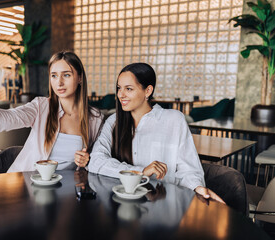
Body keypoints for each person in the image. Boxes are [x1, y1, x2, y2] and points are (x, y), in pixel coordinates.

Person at [88, 63, 224, 202]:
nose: (120, 95)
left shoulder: (174, 120)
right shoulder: (114, 121)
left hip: (163, 204)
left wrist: (197, 187)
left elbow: (189, 169)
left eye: (128, 89)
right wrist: (140, 172)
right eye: (119, 88)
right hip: (121, 201)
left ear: (148, 91)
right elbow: (96, 161)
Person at [0, 51, 103, 172]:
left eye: (66, 75)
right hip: (29, 185)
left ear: (80, 78)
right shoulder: (41, 107)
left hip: (68, 190)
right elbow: (3, 120)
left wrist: (87, 161)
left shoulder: (95, 118)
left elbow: (100, 159)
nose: (59, 82)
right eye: (54, 76)